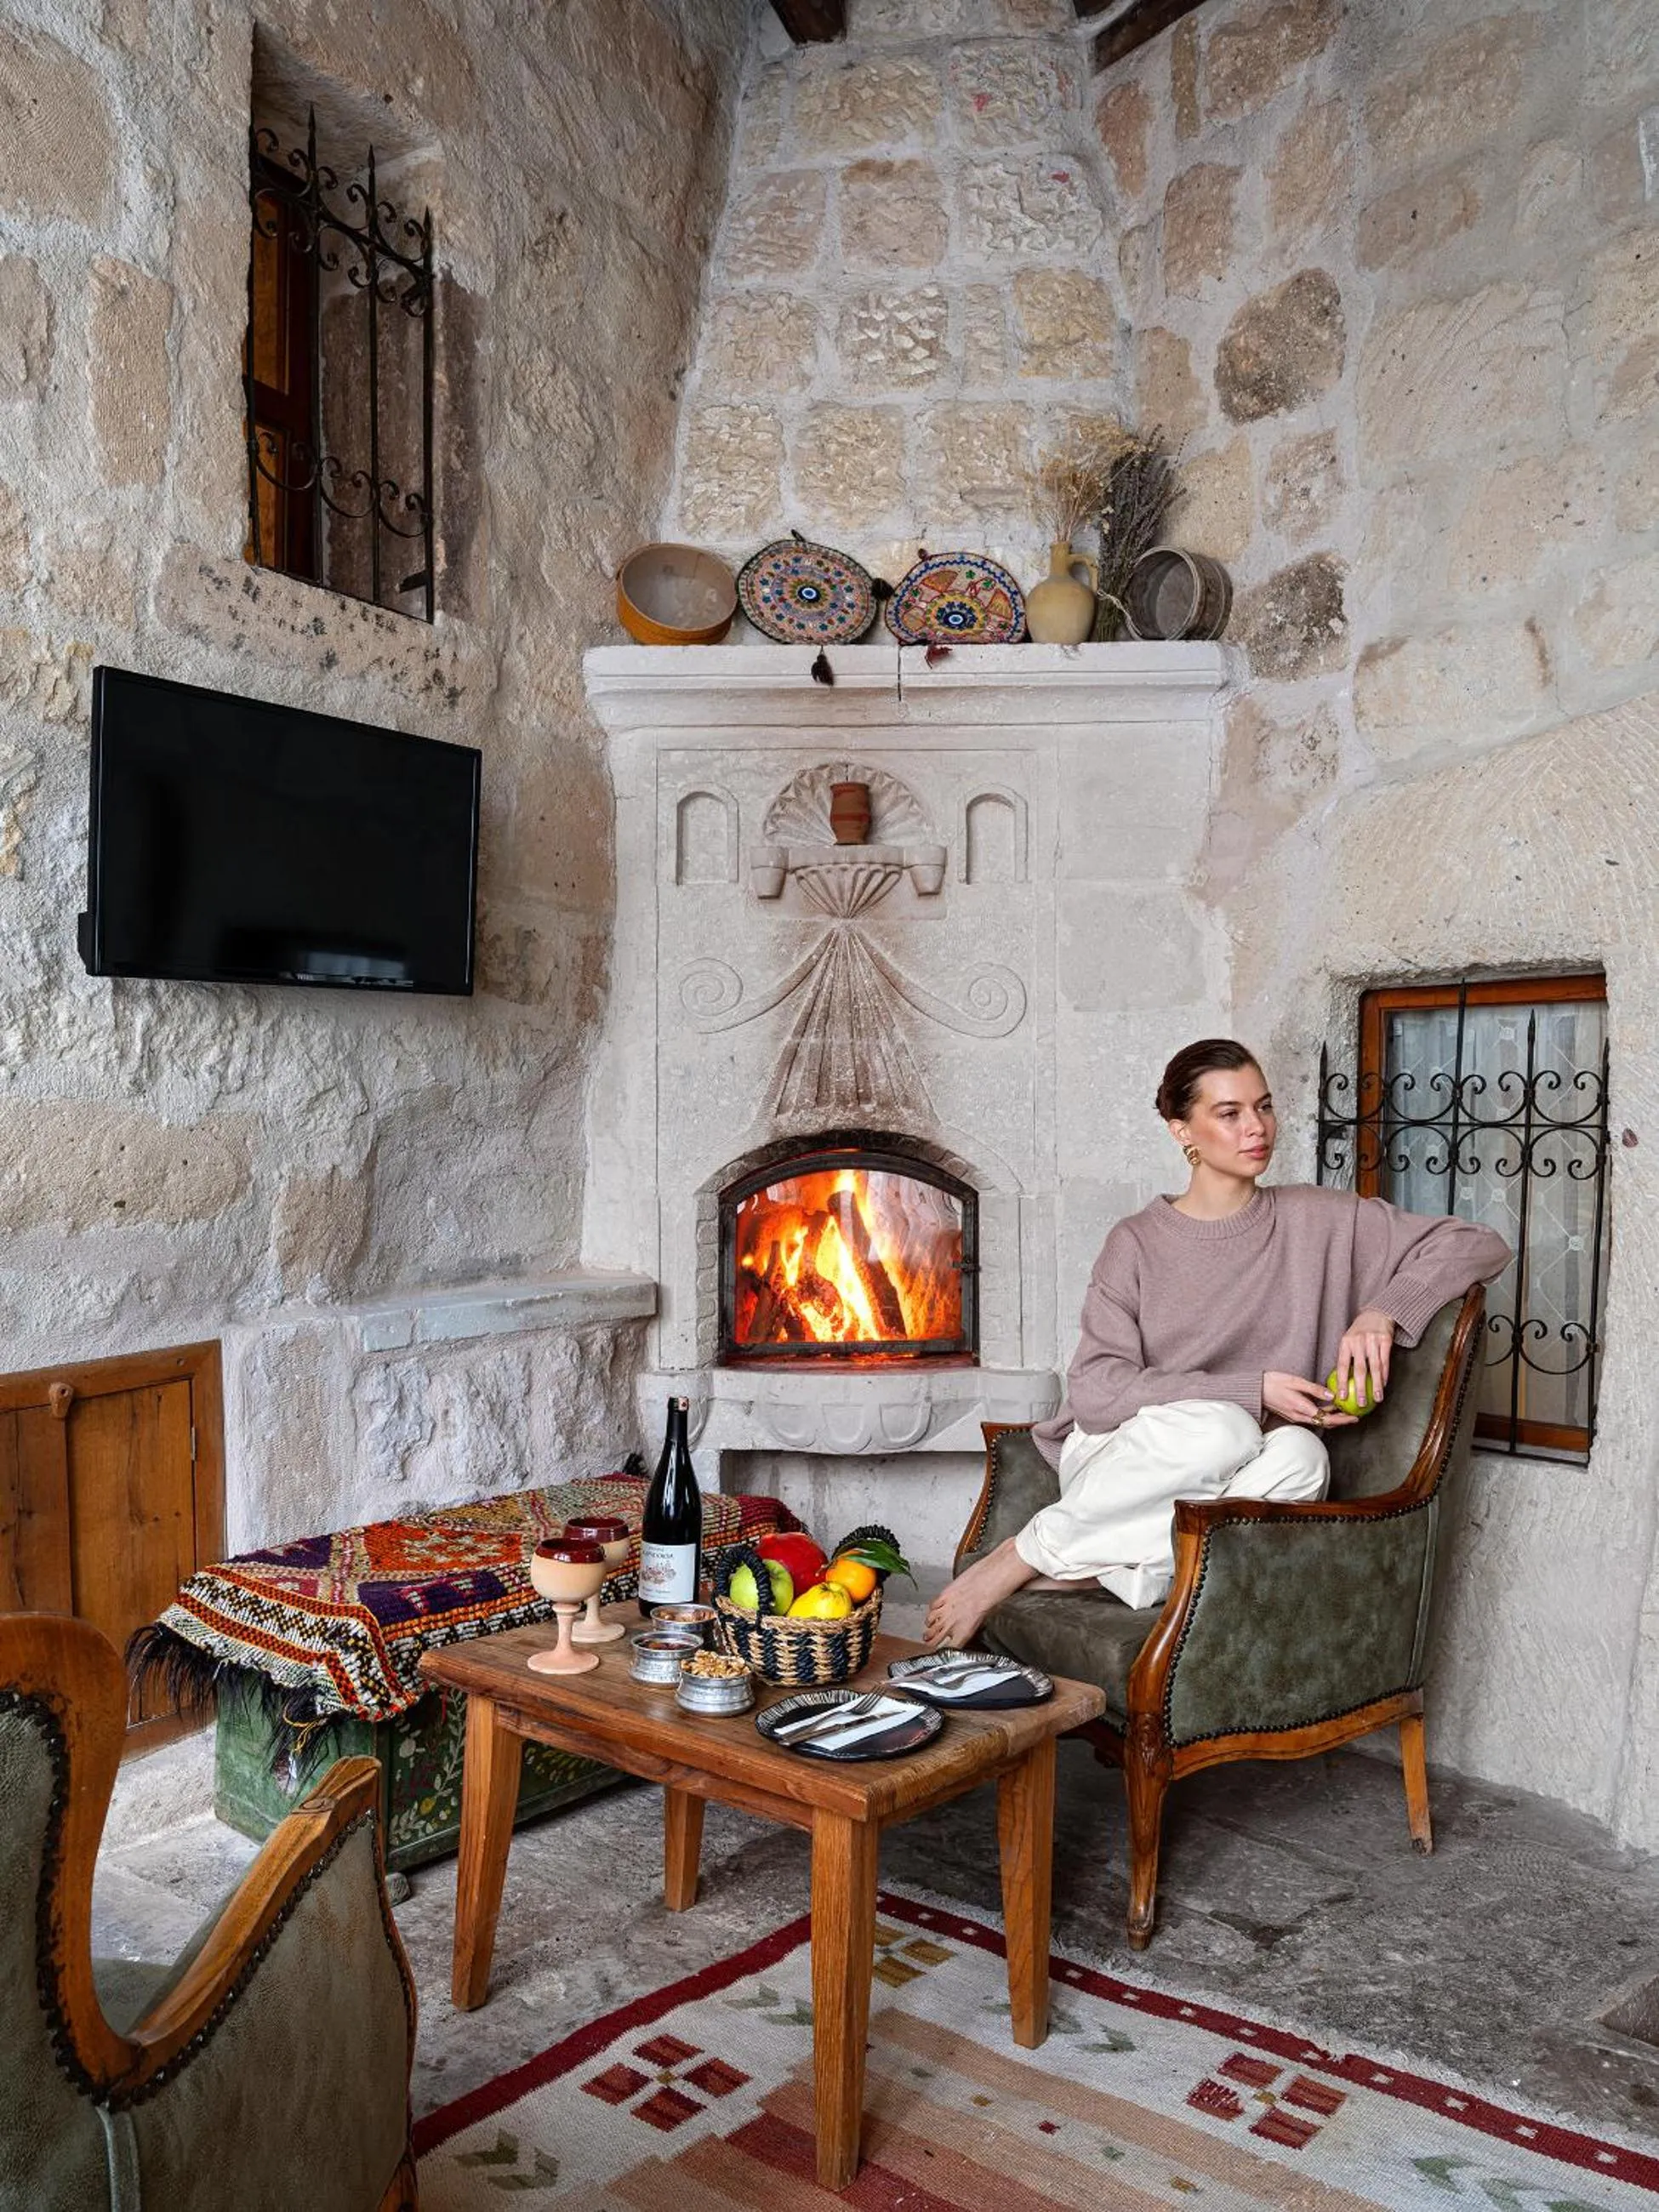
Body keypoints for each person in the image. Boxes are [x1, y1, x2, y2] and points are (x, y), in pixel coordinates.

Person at [924, 1038, 1512, 1649]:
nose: (1256, 1128)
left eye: (1263, 1106)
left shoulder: (1319, 1219)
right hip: (1126, 1465)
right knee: (1222, 1427)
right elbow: (1097, 1393)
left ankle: (1098, 1573)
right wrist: (1252, 1392)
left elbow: (1480, 1244)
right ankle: (1023, 1555)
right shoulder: (1137, 1242)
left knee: (1303, 1461)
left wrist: (1384, 1312)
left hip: (1224, 1475)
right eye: (1229, 1114)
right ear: (1184, 1131)